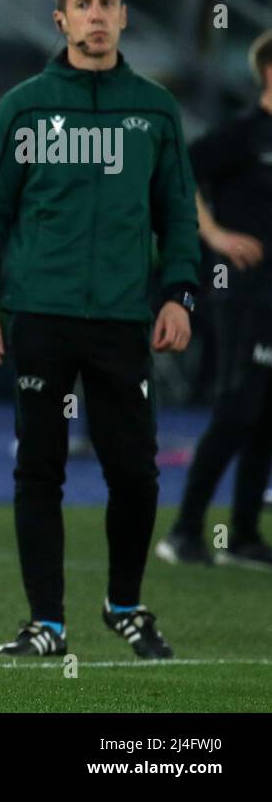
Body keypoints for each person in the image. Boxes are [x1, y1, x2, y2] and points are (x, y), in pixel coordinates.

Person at [0, 0, 200, 660]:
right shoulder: (24, 106)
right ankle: (47, 624)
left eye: (109, 3)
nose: (98, 15)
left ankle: (124, 604)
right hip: (40, 314)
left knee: (135, 473)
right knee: (41, 470)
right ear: (60, 19)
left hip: (125, 319)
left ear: (124, 16)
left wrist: (179, 293)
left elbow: (178, 215)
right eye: (84, 4)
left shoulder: (155, 109)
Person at [157, 29, 272, 571]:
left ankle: (244, 535)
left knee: (266, 415)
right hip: (241, 293)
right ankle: (183, 531)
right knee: (236, 407)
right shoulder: (244, 135)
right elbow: (178, 172)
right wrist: (216, 235)